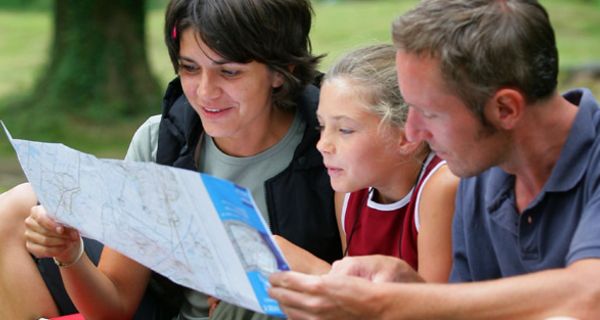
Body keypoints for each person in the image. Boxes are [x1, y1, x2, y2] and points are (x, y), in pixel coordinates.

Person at [1, 0, 344, 319]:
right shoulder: (160, 141)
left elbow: (363, 296)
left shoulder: (334, 144)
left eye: (229, 72)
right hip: (172, 309)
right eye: (190, 68)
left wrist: (278, 266)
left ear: (280, 71)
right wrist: (69, 254)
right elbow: (116, 305)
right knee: (11, 211)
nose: (206, 91)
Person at [268, 0, 600, 319]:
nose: (413, 130)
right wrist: (408, 284)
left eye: (429, 113)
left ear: (505, 109)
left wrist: (393, 303)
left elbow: (589, 295)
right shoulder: (479, 172)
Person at [274, 44, 458, 283]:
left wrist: (314, 270)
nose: (322, 144)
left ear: (407, 135)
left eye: (345, 130)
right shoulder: (350, 193)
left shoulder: (441, 187)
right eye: (322, 126)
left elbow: (435, 308)